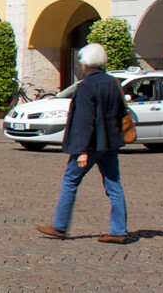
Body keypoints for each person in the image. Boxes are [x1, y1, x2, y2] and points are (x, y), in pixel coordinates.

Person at [39, 42, 129, 244]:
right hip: (110, 143)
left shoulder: (86, 86)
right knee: (114, 185)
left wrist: (82, 150)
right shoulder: (113, 82)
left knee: (70, 181)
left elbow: (85, 120)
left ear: (86, 63)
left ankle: (60, 226)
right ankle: (119, 230)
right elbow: (120, 112)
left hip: (91, 144)